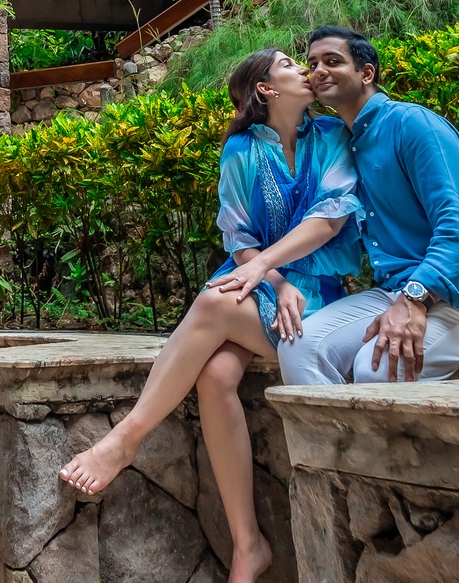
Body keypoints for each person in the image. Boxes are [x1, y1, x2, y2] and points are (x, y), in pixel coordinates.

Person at [58, 48, 363, 583]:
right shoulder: (241, 151)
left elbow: (331, 219)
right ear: (265, 89)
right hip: (265, 284)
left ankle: (127, 438)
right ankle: (249, 545)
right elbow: (241, 240)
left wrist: (278, 274)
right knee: (216, 375)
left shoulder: (332, 137)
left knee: (213, 302)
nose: (305, 71)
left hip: (321, 295)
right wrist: (274, 278)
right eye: (292, 64)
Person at [277, 25, 459, 385]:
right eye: (313, 62)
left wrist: (414, 301)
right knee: (298, 346)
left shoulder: (414, 125)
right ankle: (337, 443)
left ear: (367, 73)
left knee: (379, 365)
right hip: (396, 291)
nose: (318, 71)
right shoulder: (342, 145)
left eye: (332, 61)